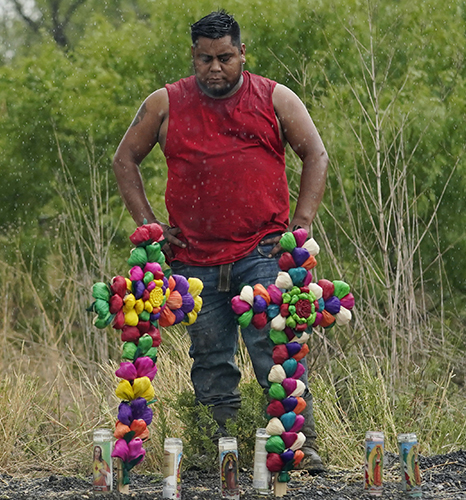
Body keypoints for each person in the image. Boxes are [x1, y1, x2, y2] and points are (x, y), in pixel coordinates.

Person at [112, 10, 329, 472]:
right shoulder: (165, 103)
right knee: (210, 358)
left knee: (276, 349)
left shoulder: (274, 98)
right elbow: (124, 159)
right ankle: (221, 450)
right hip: (194, 259)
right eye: (206, 58)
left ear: (242, 53)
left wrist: (301, 226)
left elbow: (316, 153)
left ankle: (296, 447)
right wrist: (151, 227)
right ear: (193, 56)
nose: (215, 67)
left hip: (264, 251)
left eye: (225, 57)